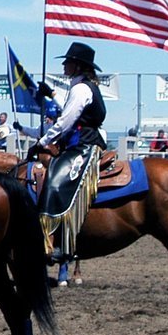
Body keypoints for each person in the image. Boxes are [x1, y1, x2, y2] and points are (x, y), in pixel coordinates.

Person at [31, 42, 109, 268]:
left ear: (77, 66)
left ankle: (53, 242)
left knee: (55, 182)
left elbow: (65, 122)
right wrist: (52, 94)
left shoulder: (81, 89)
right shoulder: (82, 86)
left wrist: (42, 142)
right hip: (81, 143)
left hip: (84, 146)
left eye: (68, 62)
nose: (64, 65)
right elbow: (70, 109)